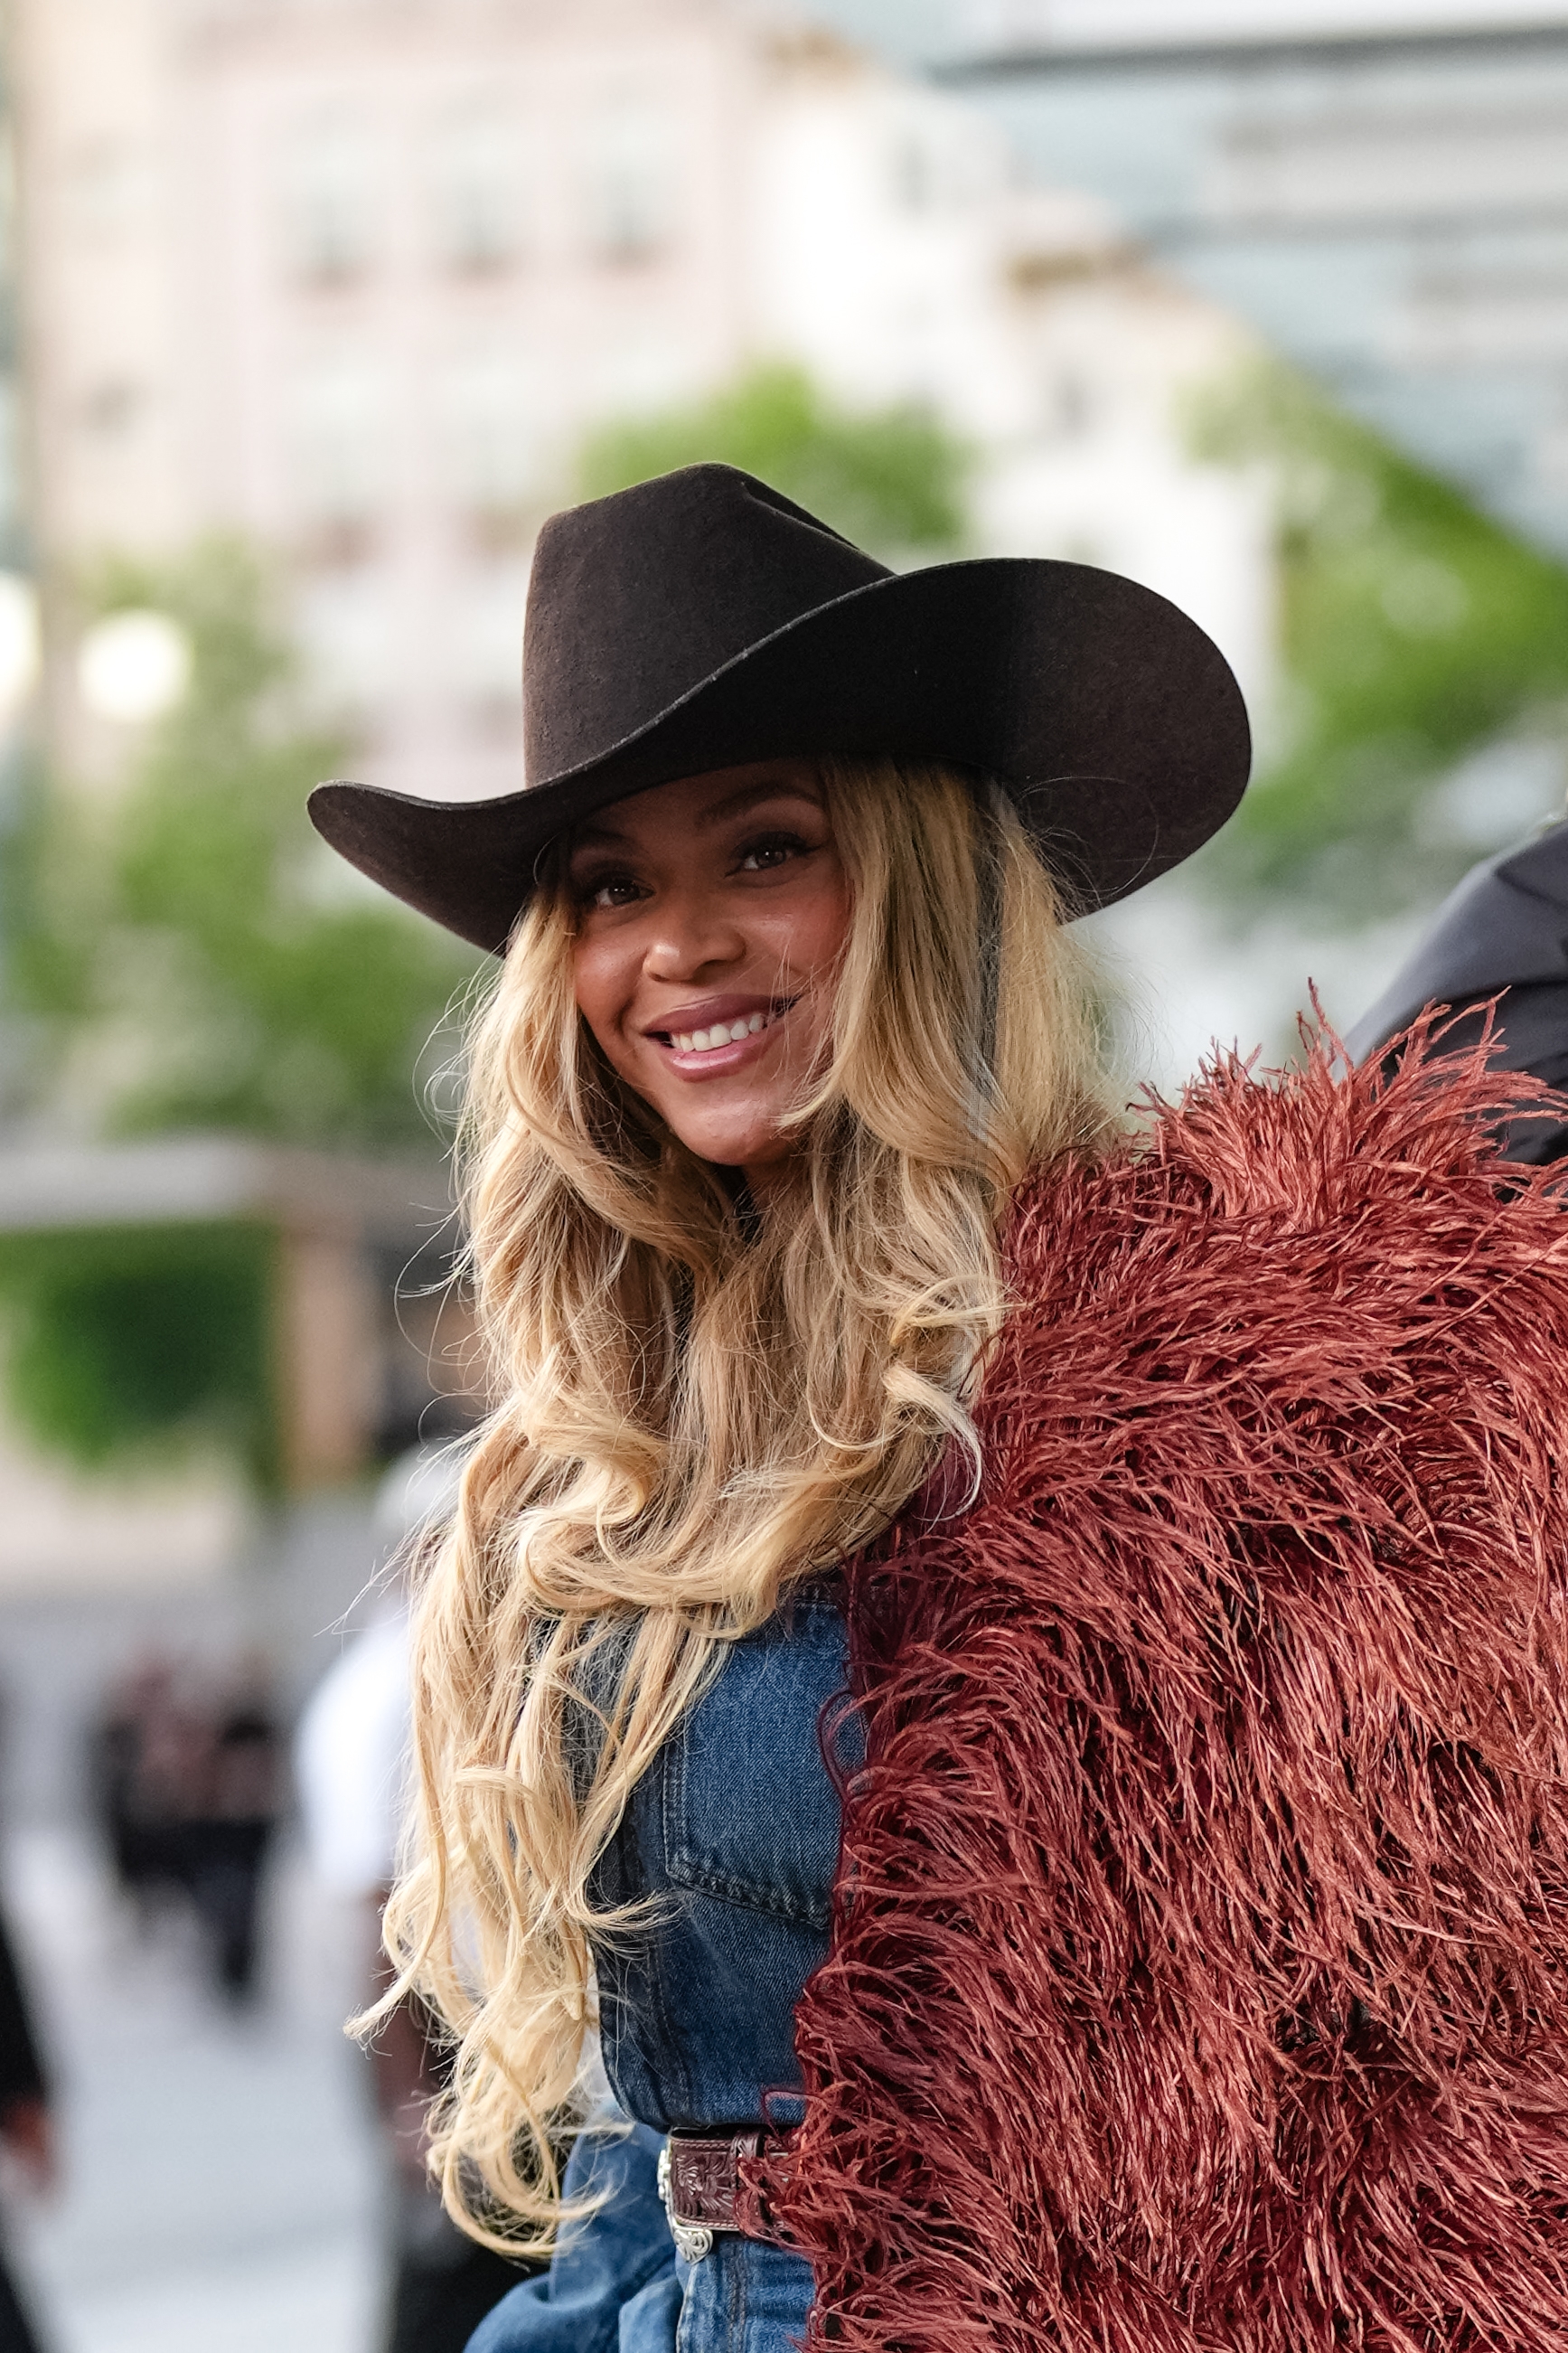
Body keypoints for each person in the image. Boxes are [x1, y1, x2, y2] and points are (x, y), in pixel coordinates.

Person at [308, 464, 1568, 2351]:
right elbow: (653, 2155)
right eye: (609, 885)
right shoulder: (609, 1445)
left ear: (916, 878)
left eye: (764, 849)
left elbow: (1380, 2067)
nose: (681, 946)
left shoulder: (1176, 1391)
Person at [295, 1448, 529, 2353]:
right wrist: (411, 2111)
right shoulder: (385, 1695)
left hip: (487, 2030)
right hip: (446, 2039)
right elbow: (376, 1922)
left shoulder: (441, 1668)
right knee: (451, 2295)